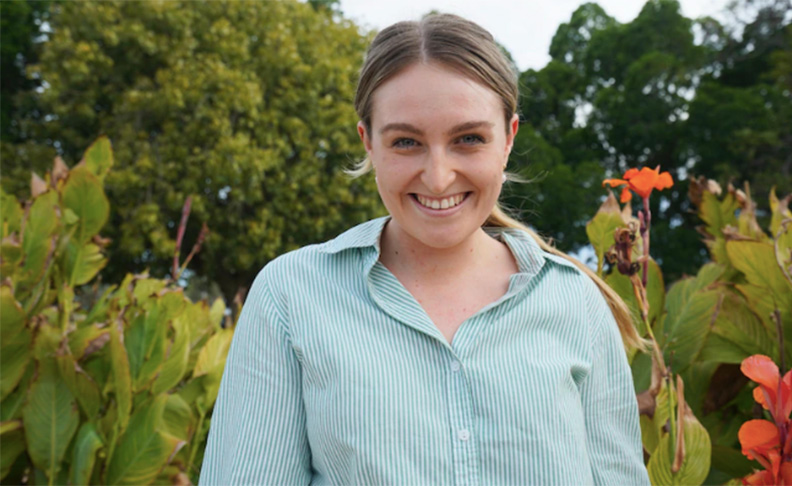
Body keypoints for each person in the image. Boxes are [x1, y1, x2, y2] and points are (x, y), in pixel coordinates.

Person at [199, 13, 649, 485]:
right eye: (407, 142)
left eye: (468, 139)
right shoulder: (291, 296)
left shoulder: (574, 302)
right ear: (368, 143)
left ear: (509, 139)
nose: (438, 177)